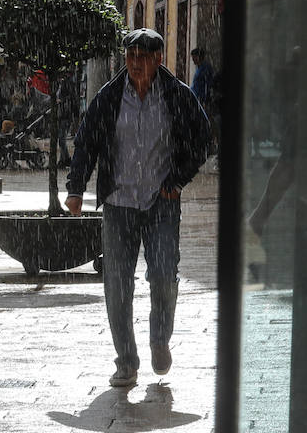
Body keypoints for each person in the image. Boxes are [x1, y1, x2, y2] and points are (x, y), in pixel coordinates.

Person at [66, 28, 210, 388]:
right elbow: (86, 141)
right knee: (117, 284)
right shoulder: (110, 96)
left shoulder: (177, 95)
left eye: (143, 56)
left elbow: (204, 140)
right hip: (118, 202)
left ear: (158, 59)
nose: (136, 63)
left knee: (163, 276)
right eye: (131, 56)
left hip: (160, 202)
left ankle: (160, 338)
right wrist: (75, 188)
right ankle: (126, 360)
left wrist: (177, 180)